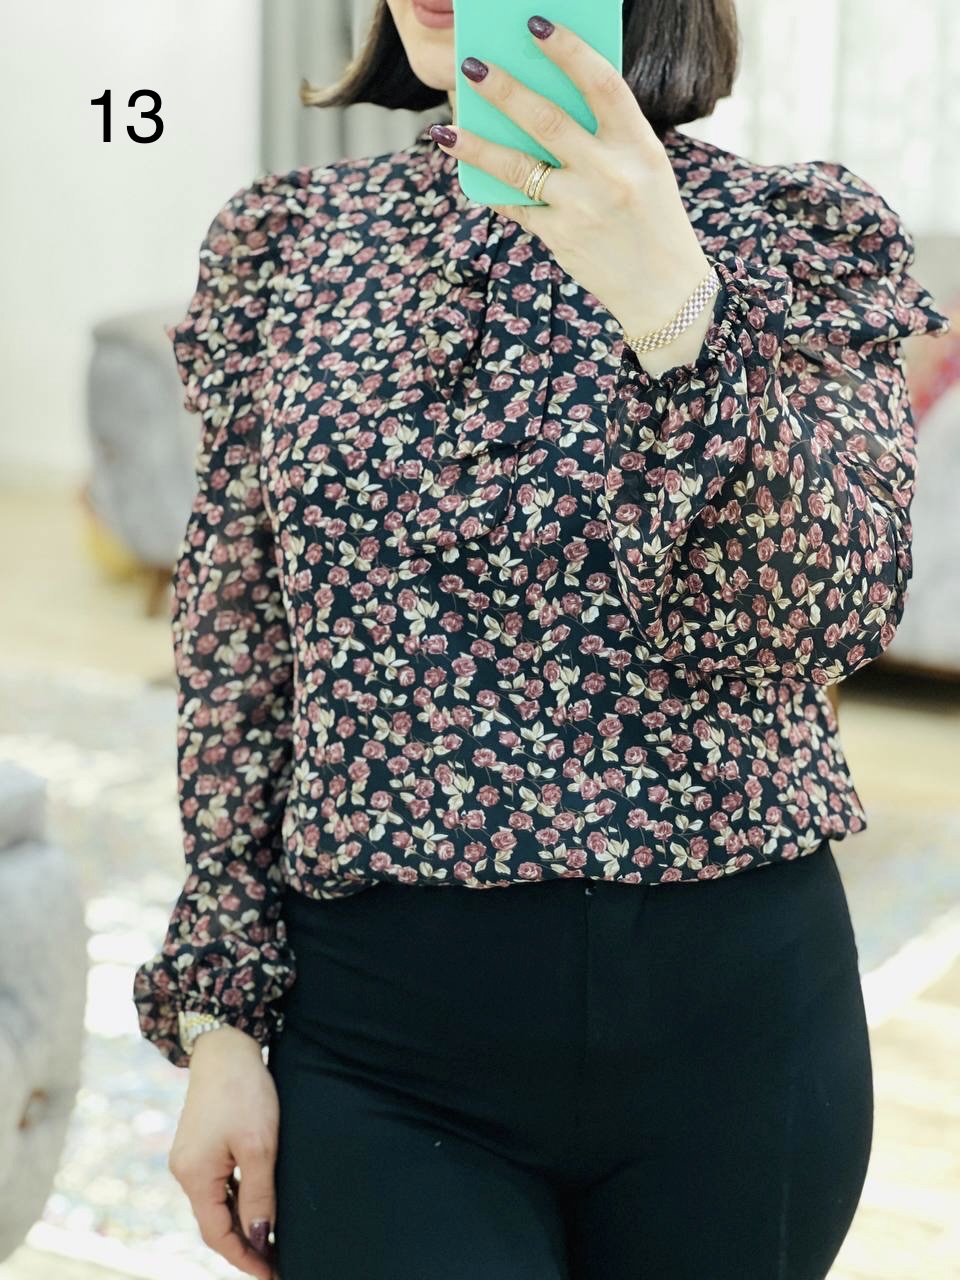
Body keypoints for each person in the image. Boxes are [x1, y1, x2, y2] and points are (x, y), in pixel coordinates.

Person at [132, 1, 952, 1277]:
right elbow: (238, 648)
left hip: (739, 1043)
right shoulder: (286, 242)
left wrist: (677, 307)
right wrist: (221, 1017)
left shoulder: (793, 231)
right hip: (382, 1045)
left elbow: (830, 613)